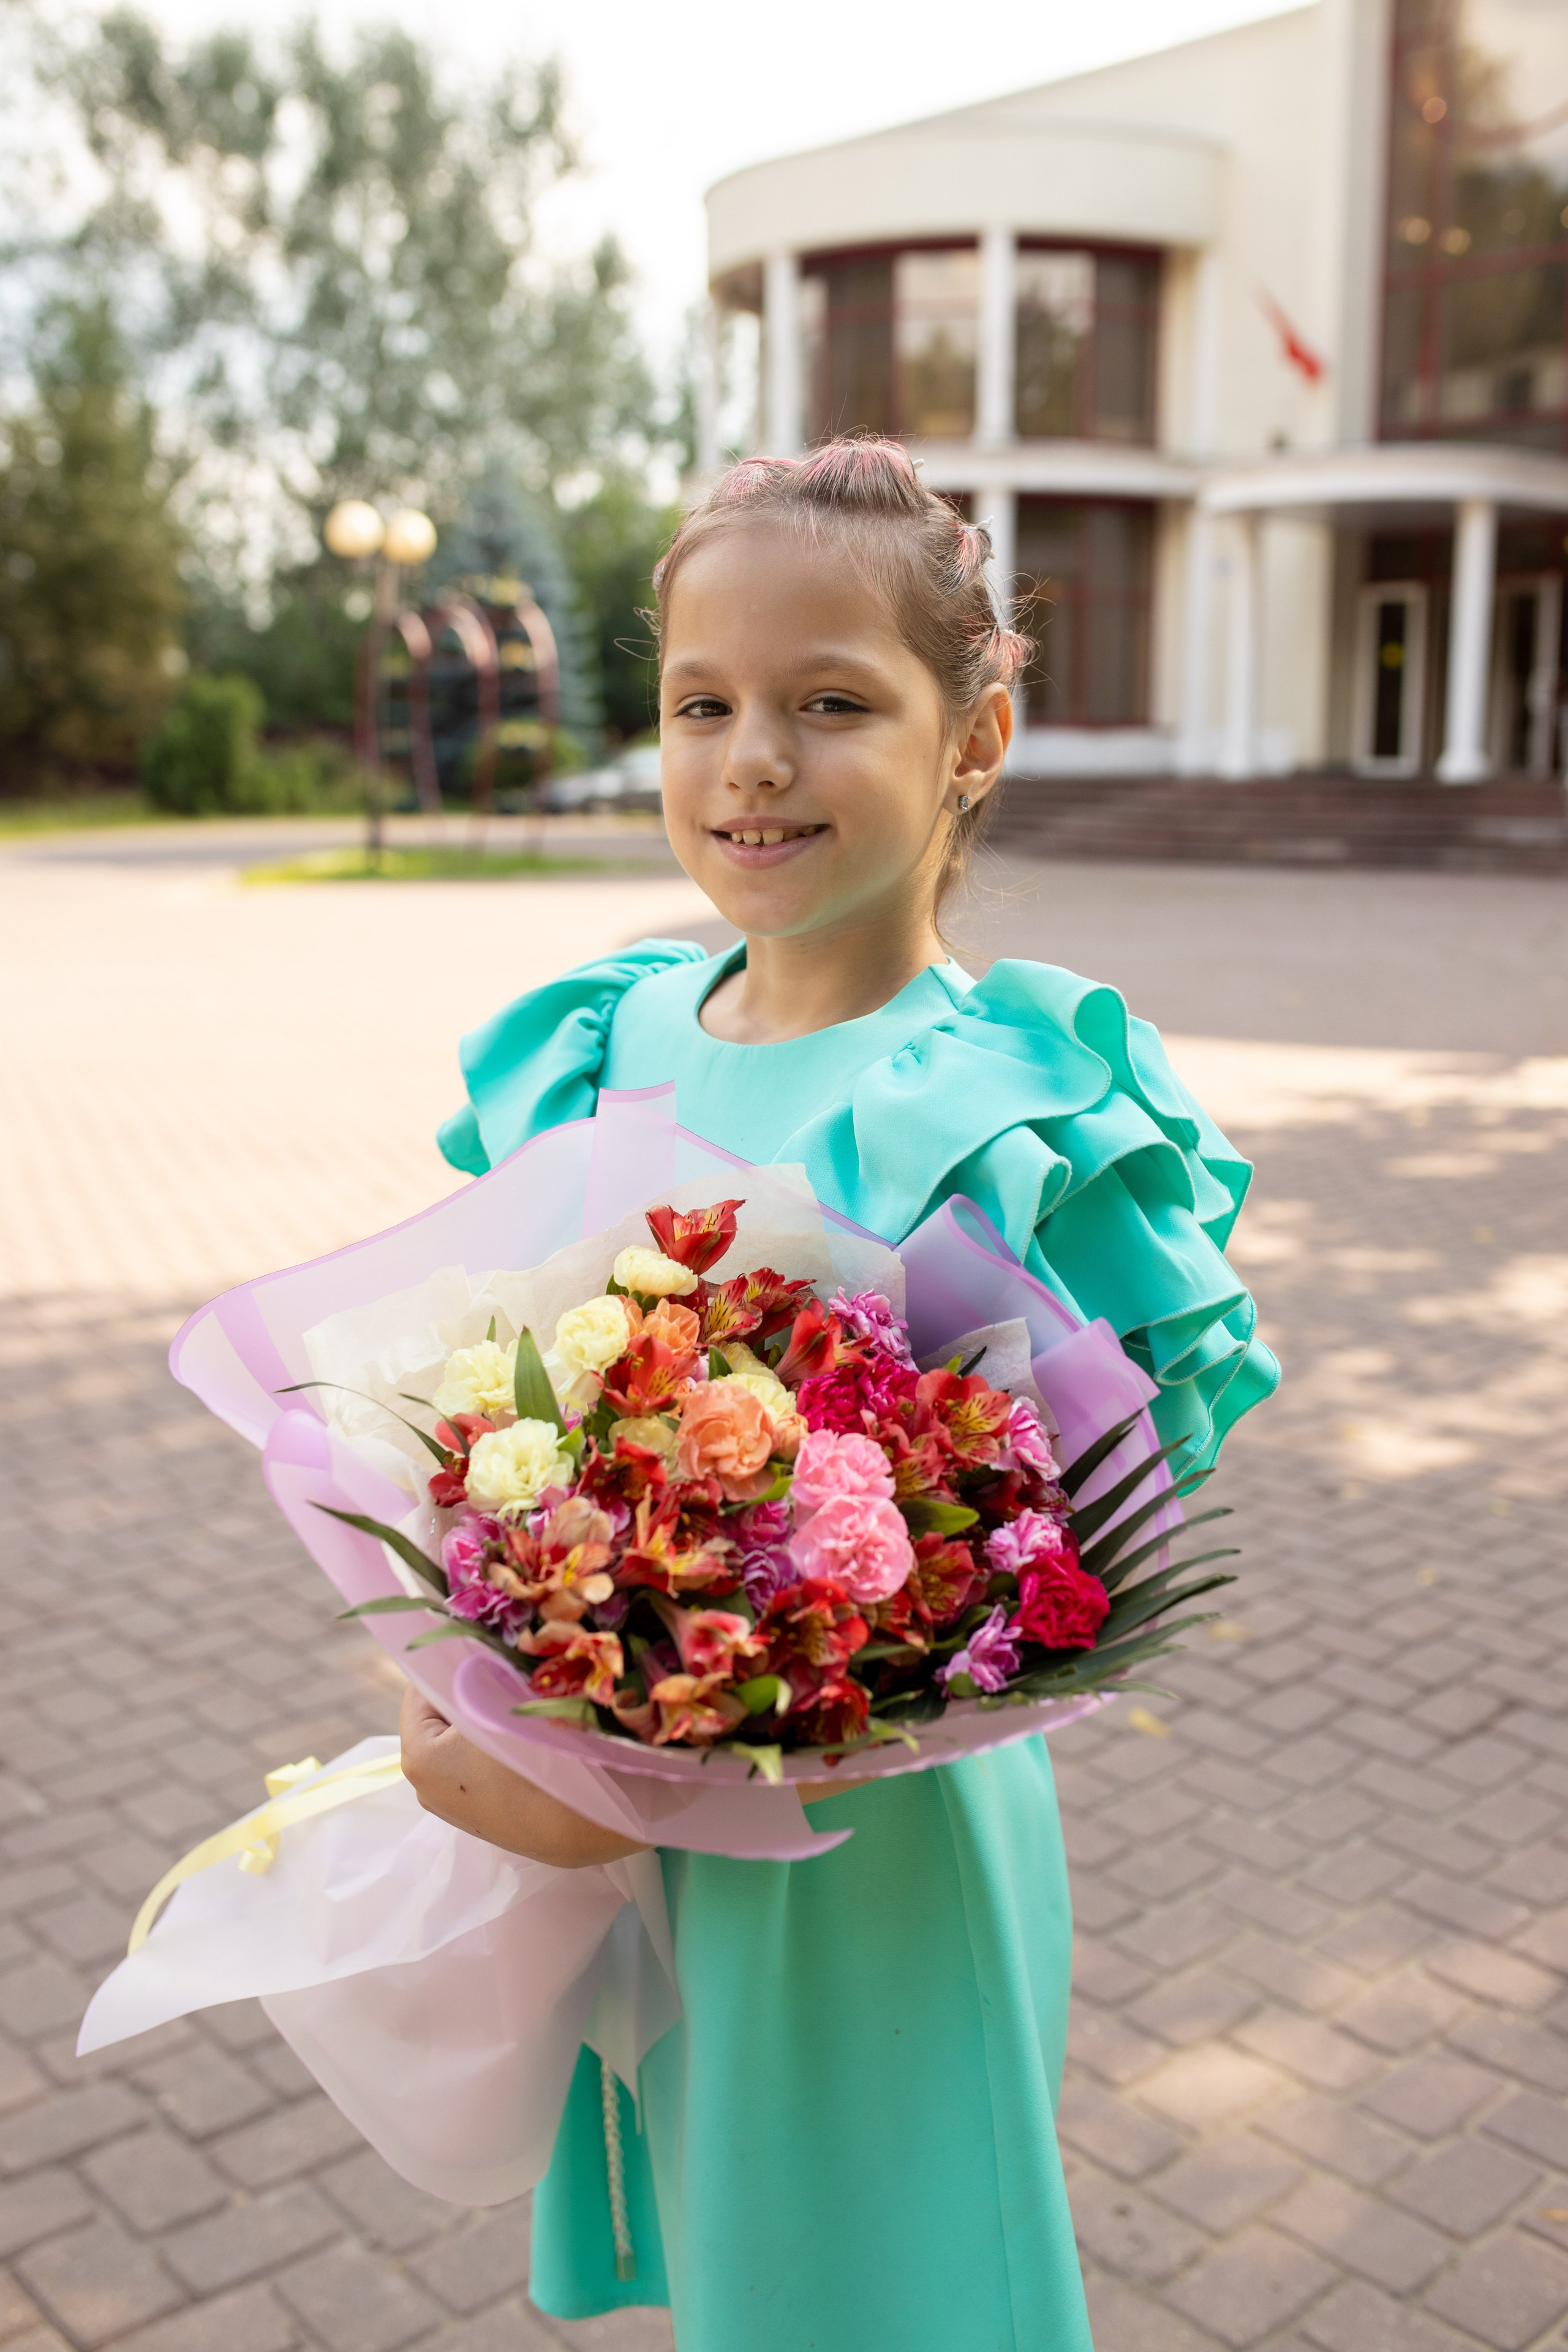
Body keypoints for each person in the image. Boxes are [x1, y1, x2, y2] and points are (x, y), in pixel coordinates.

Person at [401, 437, 1279, 2351]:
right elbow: (507, 1416)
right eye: (702, 703)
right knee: (733, 2252)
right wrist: (490, 1680)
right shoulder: (602, 1042)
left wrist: (712, 1699)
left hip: (873, 1856)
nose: (753, 762)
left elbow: (1065, 1539)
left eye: (830, 703)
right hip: (626, 1834)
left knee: (893, 2271)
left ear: (975, 735)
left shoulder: (1011, 1100)